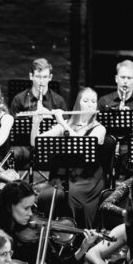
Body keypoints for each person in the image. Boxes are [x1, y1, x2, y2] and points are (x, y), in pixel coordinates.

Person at [30, 87, 107, 228]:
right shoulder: (66, 124)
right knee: (46, 195)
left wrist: (62, 122)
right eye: (86, 101)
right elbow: (36, 141)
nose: (90, 105)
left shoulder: (99, 128)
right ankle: (51, 233)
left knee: (74, 194)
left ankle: (77, 233)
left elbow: (82, 145)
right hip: (63, 175)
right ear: (78, 103)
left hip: (88, 177)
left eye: (93, 101)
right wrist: (36, 122)